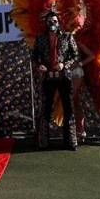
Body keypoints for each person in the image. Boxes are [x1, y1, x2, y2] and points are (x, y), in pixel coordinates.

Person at [32, 9, 79, 151]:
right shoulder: (40, 39)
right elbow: (34, 56)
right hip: (47, 77)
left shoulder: (67, 36)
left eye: (55, 21)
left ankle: (70, 142)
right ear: (46, 23)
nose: (52, 23)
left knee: (68, 108)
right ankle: (43, 142)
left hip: (64, 76)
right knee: (45, 108)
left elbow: (75, 54)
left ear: (58, 22)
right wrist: (39, 64)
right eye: (50, 21)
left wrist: (65, 64)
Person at [71, 40, 95, 140]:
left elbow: (92, 56)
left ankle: (79, 129)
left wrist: (79, 63)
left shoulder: (77, 42)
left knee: (72, 99)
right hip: (64, 73)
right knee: (74, 101)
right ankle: (77, 129)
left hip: (76, 72)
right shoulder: (58, 41)